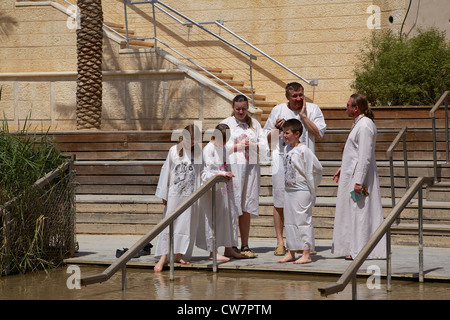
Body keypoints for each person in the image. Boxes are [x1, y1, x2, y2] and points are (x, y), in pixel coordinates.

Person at [264, 82, 327, 256]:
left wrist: (304, 117)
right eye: (295, 96)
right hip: (281, 162)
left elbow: (319, 134)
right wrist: (277, 128)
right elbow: (267, 140)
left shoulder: (313, 109)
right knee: (279, 202)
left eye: (301, 95)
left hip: (303, 162)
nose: (298, 99)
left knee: (303, 202)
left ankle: (305, 243)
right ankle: (280, 242)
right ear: (287, 97)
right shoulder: (277, 110)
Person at [331, 93, 386, 260]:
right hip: (353, 175)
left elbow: (364, 156)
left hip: (360, 179)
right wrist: (344, 167)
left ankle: (360, 249)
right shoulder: (359, 124)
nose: (345, 108)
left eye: (348, 105)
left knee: (360, 210)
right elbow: (354, 153)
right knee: (354, 210)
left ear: (355, 108)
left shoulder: (364, 126)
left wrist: (359, 182)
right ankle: (353, 247)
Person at [220, 94, 269, 258]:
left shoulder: (254, 124)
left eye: (244, 109)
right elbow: (219, 146)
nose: (241, 111)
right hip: (234, 170)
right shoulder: (226, 124)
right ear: (233, 108)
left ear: (248, 108)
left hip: (250, 170)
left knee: (247, 205)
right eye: (238, 109)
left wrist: (253, 145)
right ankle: (231, 244)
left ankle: (245, 244)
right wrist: (237, 146)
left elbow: (264, 146)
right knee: (234, 207)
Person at [153, 124, 202, 272]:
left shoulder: (198, 153)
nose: (191, 143)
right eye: (189, 140)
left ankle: (180, 254)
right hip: (174, 194)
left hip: (190, 195)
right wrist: (164, 193)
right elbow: (166, 171)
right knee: (169, 224)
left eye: (194, 141)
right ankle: (163, 257)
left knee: (186, 224)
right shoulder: (174, 151)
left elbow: (201, 173)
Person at [196, 123, 246, 260]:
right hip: (213, 191)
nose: (223, 143)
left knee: (228, 218)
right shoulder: (208, 149)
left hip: (224, 190)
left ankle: (229, 248)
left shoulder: (222, 147)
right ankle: (213, 251)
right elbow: (206, 172)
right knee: (214, 219)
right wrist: (222, 174)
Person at [277, 119, 323, 264]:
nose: (285, 136)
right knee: (290, 221)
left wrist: (311, 185)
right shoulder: (287, 149)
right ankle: (291, 251)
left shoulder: (304, 150)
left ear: (297, 134)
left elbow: (318, 168)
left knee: (302, 221)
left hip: (301, 190)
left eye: (287, 133)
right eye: (284, 133)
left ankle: (306, 253)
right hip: (289, 189)